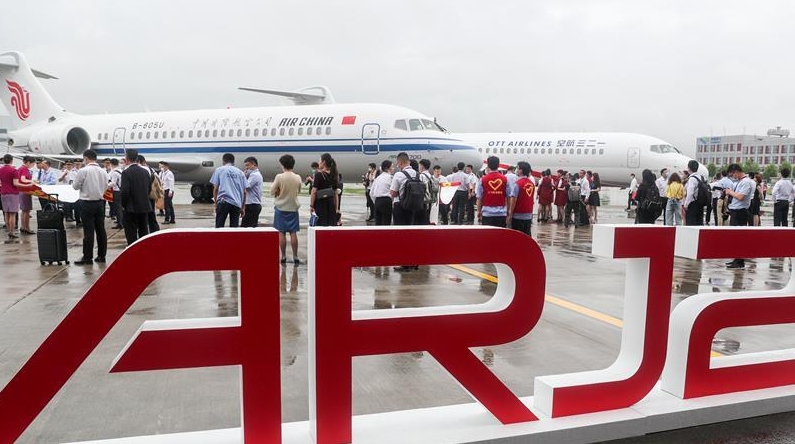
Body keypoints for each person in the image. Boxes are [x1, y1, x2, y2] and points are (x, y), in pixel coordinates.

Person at [71, 149, 110, 265]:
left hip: (87, 202)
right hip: (100, 202)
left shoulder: (83, 170)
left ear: (86, 158)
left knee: (88, 231)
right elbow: (106, 186)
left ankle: (87, 257)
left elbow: (75, 186)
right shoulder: (103, 171)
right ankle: (102, 256)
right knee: (101, 230)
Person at [271, 154, 302, 264]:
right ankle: (295, 256)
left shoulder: (279, 177)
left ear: (282, 164)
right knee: (293, 233)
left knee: (281, 232)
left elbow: (272, 191)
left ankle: (283, 256)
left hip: (281, 208)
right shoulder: (297, 177)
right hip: (293, 208)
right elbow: (299, 190)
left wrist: (278, 191)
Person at [724, 164, 755, 269]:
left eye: (732, 175)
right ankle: (736, 259)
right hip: (736, 211)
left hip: (740, 212)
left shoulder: (746, 182)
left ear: (736, 172)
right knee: (735, 238)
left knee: (739, 238)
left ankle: (739, 261)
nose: (733, 177)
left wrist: (730, 192)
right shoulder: (741, 182)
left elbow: (741, 197)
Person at [120, 149, 152, 245]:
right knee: (143, 231)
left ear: (127, 159)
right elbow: (149, 188)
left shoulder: (126, 172)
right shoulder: (145, 171)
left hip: (131, 207)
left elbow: (125, 192)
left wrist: (123, 205)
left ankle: (133, 251)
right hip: (144, 206)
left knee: (131, 233)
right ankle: (143, 250)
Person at [210, 153, 247, 228]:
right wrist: (243, 207)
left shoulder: (219, 170)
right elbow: (245, 192)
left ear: (223, 161)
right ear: (233, 161)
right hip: (236, 203)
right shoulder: (240, 173)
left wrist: (216, 203)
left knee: (219, 227)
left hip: (223, 201)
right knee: (234, 229)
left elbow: (216, 188)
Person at [476, 156, 513, 228]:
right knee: (500, 234)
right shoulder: (505, 179)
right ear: (498, 165)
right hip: (501, 214)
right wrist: (508, 210)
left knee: (488, 234)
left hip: (487, 214)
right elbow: (508, 197)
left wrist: (479, 211)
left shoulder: (483, 180)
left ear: (488, 165)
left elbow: (479, 198)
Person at [309, 153, 340, 227]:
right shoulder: (334, 175)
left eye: (320, 161)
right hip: (331, 205)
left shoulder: (318, 175)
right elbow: (336, 194)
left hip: (320, 205)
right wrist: (336, 208)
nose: (319, 162)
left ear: (324, 162)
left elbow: (313, 192)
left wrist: (311, 206)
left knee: (320, 227)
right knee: (330, 227)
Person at [509, 161, 535, 236]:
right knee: (526, 237)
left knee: (517, 237)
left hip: (518, 216)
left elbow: (513, 200)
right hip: (528, 216)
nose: (516, 170)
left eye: (517, 168)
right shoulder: (531, 184)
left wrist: (510, 213)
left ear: (521, 170)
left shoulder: (517, 184)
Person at [13, 156, 36, 234]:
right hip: (25, 191)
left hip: (21, 191)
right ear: (28, 162)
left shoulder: (20, 168)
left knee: (24, 211)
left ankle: (23, 227)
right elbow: (23, 179)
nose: (33, 165)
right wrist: (31, 181)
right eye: (33, 164)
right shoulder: (24, 169)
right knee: (27, 211)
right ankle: (27, 228)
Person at [240, 156, 263, 228]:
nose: (246, 168)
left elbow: (246, 186)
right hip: (252, 204)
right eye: (246, 166)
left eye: (248, 165)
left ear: (254, 165)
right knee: (249, 226)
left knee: (246, 227)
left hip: (252, 205)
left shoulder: (255, 175)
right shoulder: (253, 175)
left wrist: (242, 176)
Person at [0, 154, 19, 238]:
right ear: (12, 161)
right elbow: (16, 183)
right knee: (12, 214)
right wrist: (27, 185)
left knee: (6, 213)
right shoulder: (14, 170)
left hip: (3, 193)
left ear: (4, 161)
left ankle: (8, 229)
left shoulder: (1, 170)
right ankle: (11, 232)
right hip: (13, 193)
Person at [369, 160, 393, 226]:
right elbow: (393, 191)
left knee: (378, 224)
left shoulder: (377, 178)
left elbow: (371, 193)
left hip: (377, 201)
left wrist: (376, 202)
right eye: (392, 167)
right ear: (387, 168)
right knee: (386, 223)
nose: (393, 168)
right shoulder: (390, 177)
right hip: (386, 201)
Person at [683, 160, 705, 226]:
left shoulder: (692, 179)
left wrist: (686, 204)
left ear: (689, 168)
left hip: (693, 204)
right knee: (699, 224)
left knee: (691, 224)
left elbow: (690, 193)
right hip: (700, 203)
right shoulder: (701, 177)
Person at [108, 158, 123, 229]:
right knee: (120, 207)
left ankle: (120, 223)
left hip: (117, 191)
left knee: (118, 207)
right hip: (121, 190)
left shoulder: (114, 172)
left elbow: (113, 183)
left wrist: (106, 186)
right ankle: (120, 220)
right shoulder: (121, 170)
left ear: (111, 164)